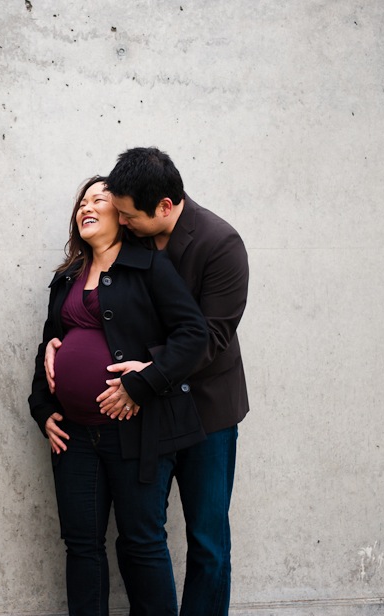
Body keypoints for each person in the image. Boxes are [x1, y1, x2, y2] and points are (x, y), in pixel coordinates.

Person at [46, 150, 249, 615]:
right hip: (140, 415)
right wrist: (60, 346)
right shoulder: (123, 245)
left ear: (162, 207)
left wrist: (147, 371)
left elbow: (208, 336)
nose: (121, 219)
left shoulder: (220, 244)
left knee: (207, 542)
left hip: (204, 410)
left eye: (127, 214)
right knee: (139, 537)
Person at [29, 176, 208, 616]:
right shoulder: (67, 277)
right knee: (82, 546)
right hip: (73, 438)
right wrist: (44, 408)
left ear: (122, 217)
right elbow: (50, 344)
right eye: (82, 202)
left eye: (100, 200)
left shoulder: (149, 268)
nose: (87, 207)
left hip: (135, 431)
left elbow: (193, 335)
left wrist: (143, 383)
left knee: (142, 542)